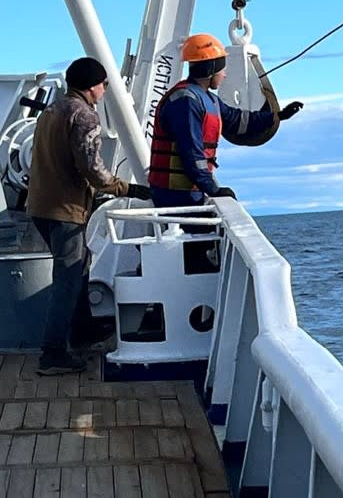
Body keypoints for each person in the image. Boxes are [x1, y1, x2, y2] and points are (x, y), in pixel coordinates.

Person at [27, 56, 153, 375]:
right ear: (92, 86)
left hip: (40, 206)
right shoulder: (84, 115)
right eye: (103, 84)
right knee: (67, 280)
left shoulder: (52, 110)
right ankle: (52, 354)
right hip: (65, 210)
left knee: (79, 268)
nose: (105, 90)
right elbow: (93, 170)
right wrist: (128, 189)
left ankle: (83, 333)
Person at [148, 33, 303, 208]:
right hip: (174, 196)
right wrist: (213, 189)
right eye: (222, 69)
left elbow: (238, 120)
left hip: (191, 191)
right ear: (211, 70)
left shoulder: (208, 100)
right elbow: (191, 152)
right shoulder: (186, 102)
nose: (225, 75)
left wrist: (277, 116)